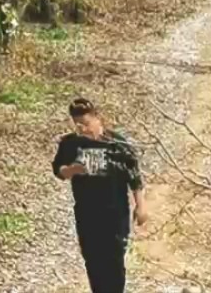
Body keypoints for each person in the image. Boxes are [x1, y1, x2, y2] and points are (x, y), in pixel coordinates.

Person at [53, 97, 147, 293]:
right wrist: (72, 170)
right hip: (87, 213)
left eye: (86, 124)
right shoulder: (71, 144)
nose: (83, 130)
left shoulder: (117, 143)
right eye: (78, 126)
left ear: (97, 118)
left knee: (114, 261)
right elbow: (58, 170)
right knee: (93, 261)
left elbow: (134, 176)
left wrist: (141, 205)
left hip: (115, 213)